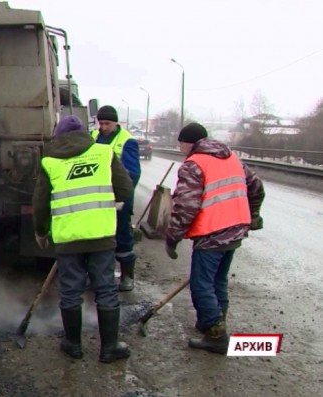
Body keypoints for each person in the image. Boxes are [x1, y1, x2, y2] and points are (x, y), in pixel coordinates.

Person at [33, 115, 133, 363]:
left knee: (70, 291)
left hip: (69, 238)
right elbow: (125, 189)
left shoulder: (50, 161)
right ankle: (109, 348)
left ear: (58, 136)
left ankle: (73, 345)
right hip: (101, 235)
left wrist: (41, 231)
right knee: (106, 288)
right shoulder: (103, 153)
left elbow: (40, 203)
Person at [165, 122, 265, 355]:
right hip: (235, 230)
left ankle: (216, 334)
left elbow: (186, 207)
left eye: (180, 144)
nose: (180, 149)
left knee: (201, 284)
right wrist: (252, 215)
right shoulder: (232, 159)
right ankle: (214, 322)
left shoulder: (194, 164)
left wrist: (173, 236)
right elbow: (257, 188)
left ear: (188, 143)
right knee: (217, 281)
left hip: (212, 233)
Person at [91, 106, 141, 291]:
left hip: (118, 200)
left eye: (107, 123)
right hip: (97, 198)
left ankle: (127, 276)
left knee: (122, 236)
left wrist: (120, 196)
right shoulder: (93, 138)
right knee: (99, 238)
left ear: (115, 122)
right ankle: (101, 275)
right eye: (101, 123)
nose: (103, 127)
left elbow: (132, 174)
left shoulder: (126, 141)